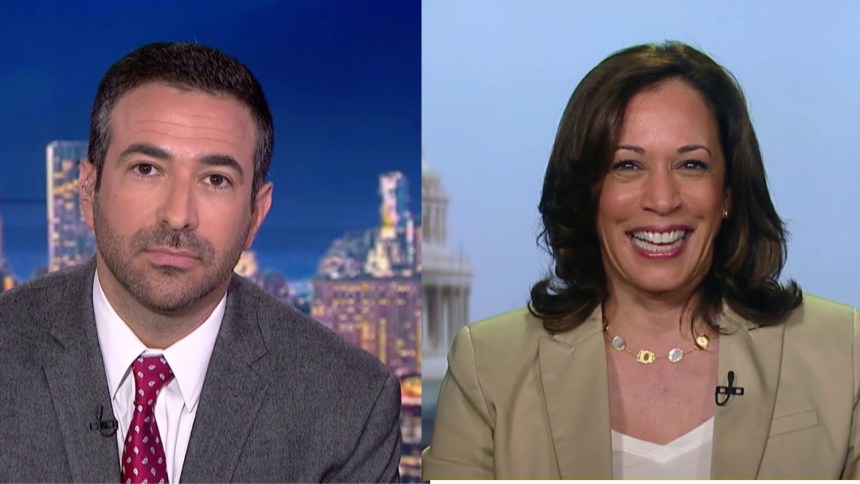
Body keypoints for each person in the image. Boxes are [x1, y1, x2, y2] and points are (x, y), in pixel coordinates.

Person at [422, 40, 859, 479]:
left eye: (691, 165)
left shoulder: (843, 351)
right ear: (588, 193)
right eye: (627, 165)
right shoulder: (490, 368)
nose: (662, 200)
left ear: (728, 193)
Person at [0, 42, 401, 482]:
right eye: (146, 169)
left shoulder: (350, 405)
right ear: (87, 191)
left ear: (255, 214)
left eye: (215, 180)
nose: (178, 215)